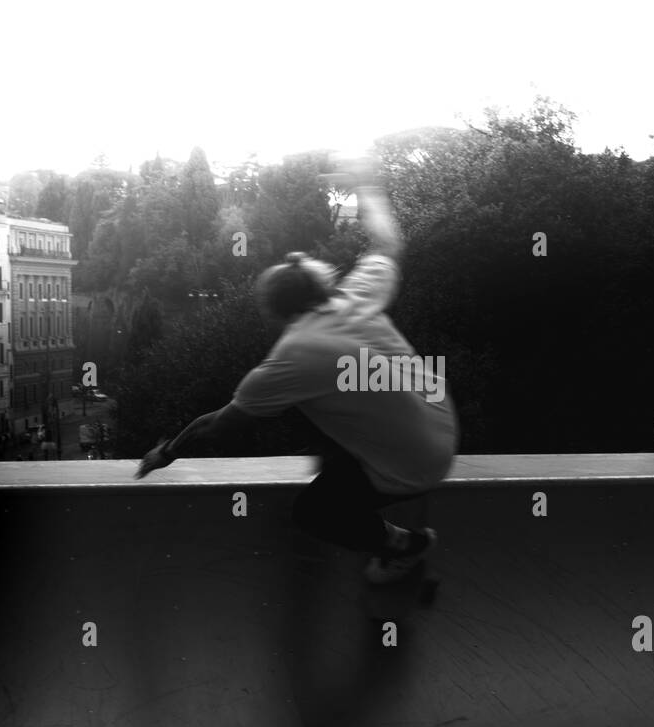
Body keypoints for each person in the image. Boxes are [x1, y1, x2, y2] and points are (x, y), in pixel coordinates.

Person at [136, 156, 458, 584]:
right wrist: (368, 187)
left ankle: (405, 547)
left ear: (276, 313)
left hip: (412, 463)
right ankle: (372, 495)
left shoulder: (292, 356)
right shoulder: (354, 295)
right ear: (322, 282)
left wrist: (166, 452)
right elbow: (388, 244)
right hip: (443, 426)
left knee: (313, 512)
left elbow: (218, 425)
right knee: (329, 405)